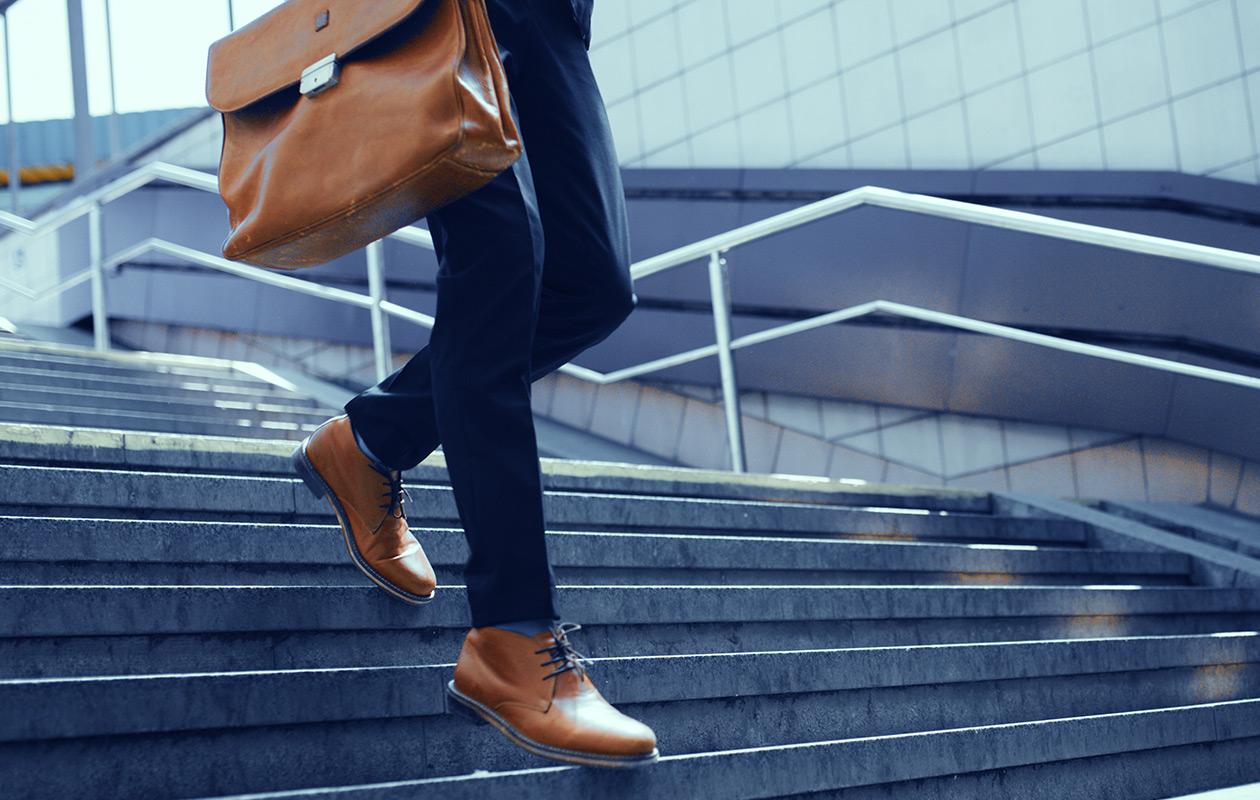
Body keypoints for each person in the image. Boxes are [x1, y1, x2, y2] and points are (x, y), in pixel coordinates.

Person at [290, 0, 659, 769]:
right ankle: (513, 634)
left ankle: (369, 440)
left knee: (591, 283)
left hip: (552, 16)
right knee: (499, 265)